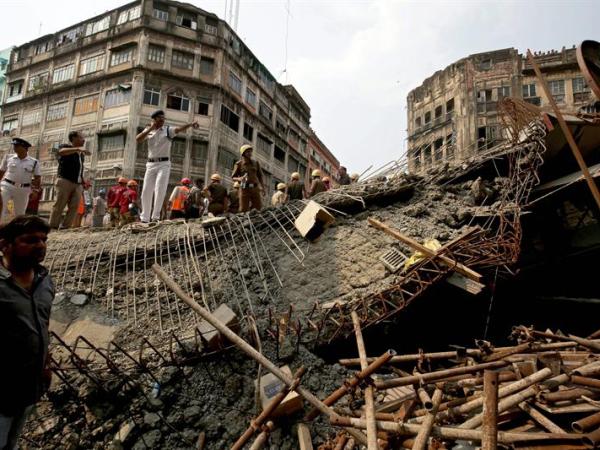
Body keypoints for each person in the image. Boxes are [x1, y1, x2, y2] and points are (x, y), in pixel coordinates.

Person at [0, 216, 53, 450]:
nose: (40, 245)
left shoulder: (45, 282)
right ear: (5, 246)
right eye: (30, 240)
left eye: (43, 240)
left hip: (27, 390)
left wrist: (45, 363)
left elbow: (42, 326)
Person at [136, 110, 198, 223]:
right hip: (150, 164)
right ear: (154, 120)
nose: (162, 121)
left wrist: (190, 124)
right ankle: (144, 218)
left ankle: (155, 217)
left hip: (163, 164)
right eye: (160, 119)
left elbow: (179, 129)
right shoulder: (148, 131)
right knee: (146, 190)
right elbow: (138, 139)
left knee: (159, 189)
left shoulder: (168, 130)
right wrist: (150, 129)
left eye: (163, 119)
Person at [49, 131, 90, 229]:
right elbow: (61, 152)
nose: (83, 140)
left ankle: (66, 226)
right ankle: (52, 227)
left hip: (77, 183)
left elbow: (79, 168)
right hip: (65, 180)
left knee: (75, 206)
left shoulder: (81, 154)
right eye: (81, 137)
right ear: (74, 138)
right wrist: (77, 149)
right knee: (59, 204)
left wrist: (83, 181)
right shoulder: (66, 147)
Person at [0, 138, 41, 222]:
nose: (14, 147)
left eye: (17, 146)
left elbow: (37, 177)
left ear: (24, 148)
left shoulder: (34, 162)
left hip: (24, 189)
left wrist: (36, 191)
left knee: (20, 213)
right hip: (7, 185)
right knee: (0, 206)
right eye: (14, 145)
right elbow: (1, 172)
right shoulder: (8, 157)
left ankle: (17, 231)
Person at [231, 144, 265, 212]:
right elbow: (233, 177)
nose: (250, 153)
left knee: (258, 208)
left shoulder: (256, 163)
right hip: (244, 189)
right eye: (248, 152)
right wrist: (240, 179)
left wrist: (263, 188)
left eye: (250, 151)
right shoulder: (239, 164)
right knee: (243, 209)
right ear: (243, 153)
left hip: (255, 188)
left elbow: (260, 176)